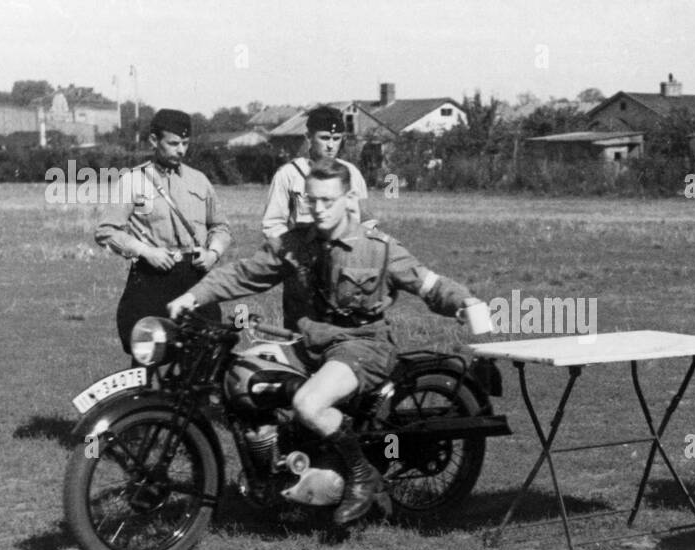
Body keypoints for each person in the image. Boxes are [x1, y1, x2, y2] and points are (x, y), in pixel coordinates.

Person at [168, 162, 484, 526]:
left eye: (327, 201)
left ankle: (362, 476)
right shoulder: (296, 244)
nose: (317, 209)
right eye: (311, 200)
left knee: (308, 402)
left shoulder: (379, 249)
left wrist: (465, 302)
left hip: (363, 347)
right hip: (309, 345)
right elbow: (244, 273)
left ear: (349, 198)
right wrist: (194, 296)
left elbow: (429, 284)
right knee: (242, 376)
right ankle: (273, 473)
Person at [95, 109, 230, 356]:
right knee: (149, 358)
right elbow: (106, 231)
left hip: (196, 279)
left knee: (206, 357)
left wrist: (213, 253)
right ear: (154, 141)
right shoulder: (134, 181)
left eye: (185, 144)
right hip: (151, 281)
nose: (181, 150)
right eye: (174, 143)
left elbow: (220, 226)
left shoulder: (199, 180)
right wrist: (145, 251)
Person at [261, 105, 369, 327]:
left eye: (337, 138)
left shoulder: (351, 173)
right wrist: (293, 254)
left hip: (344, 269)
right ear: (309, 137)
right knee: (300, 335)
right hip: (303, 270)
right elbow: (272, 224)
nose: (331, 145)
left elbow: (365, 220)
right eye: (324, 137)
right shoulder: (289, 174)